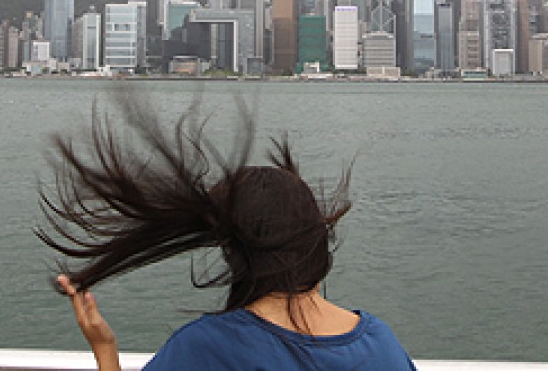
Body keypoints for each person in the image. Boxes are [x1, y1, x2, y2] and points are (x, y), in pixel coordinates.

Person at [36, 96, 417, 371]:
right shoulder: (381, 345)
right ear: (317, 240)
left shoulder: (206, 348)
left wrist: (105, 349)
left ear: (234, 252)